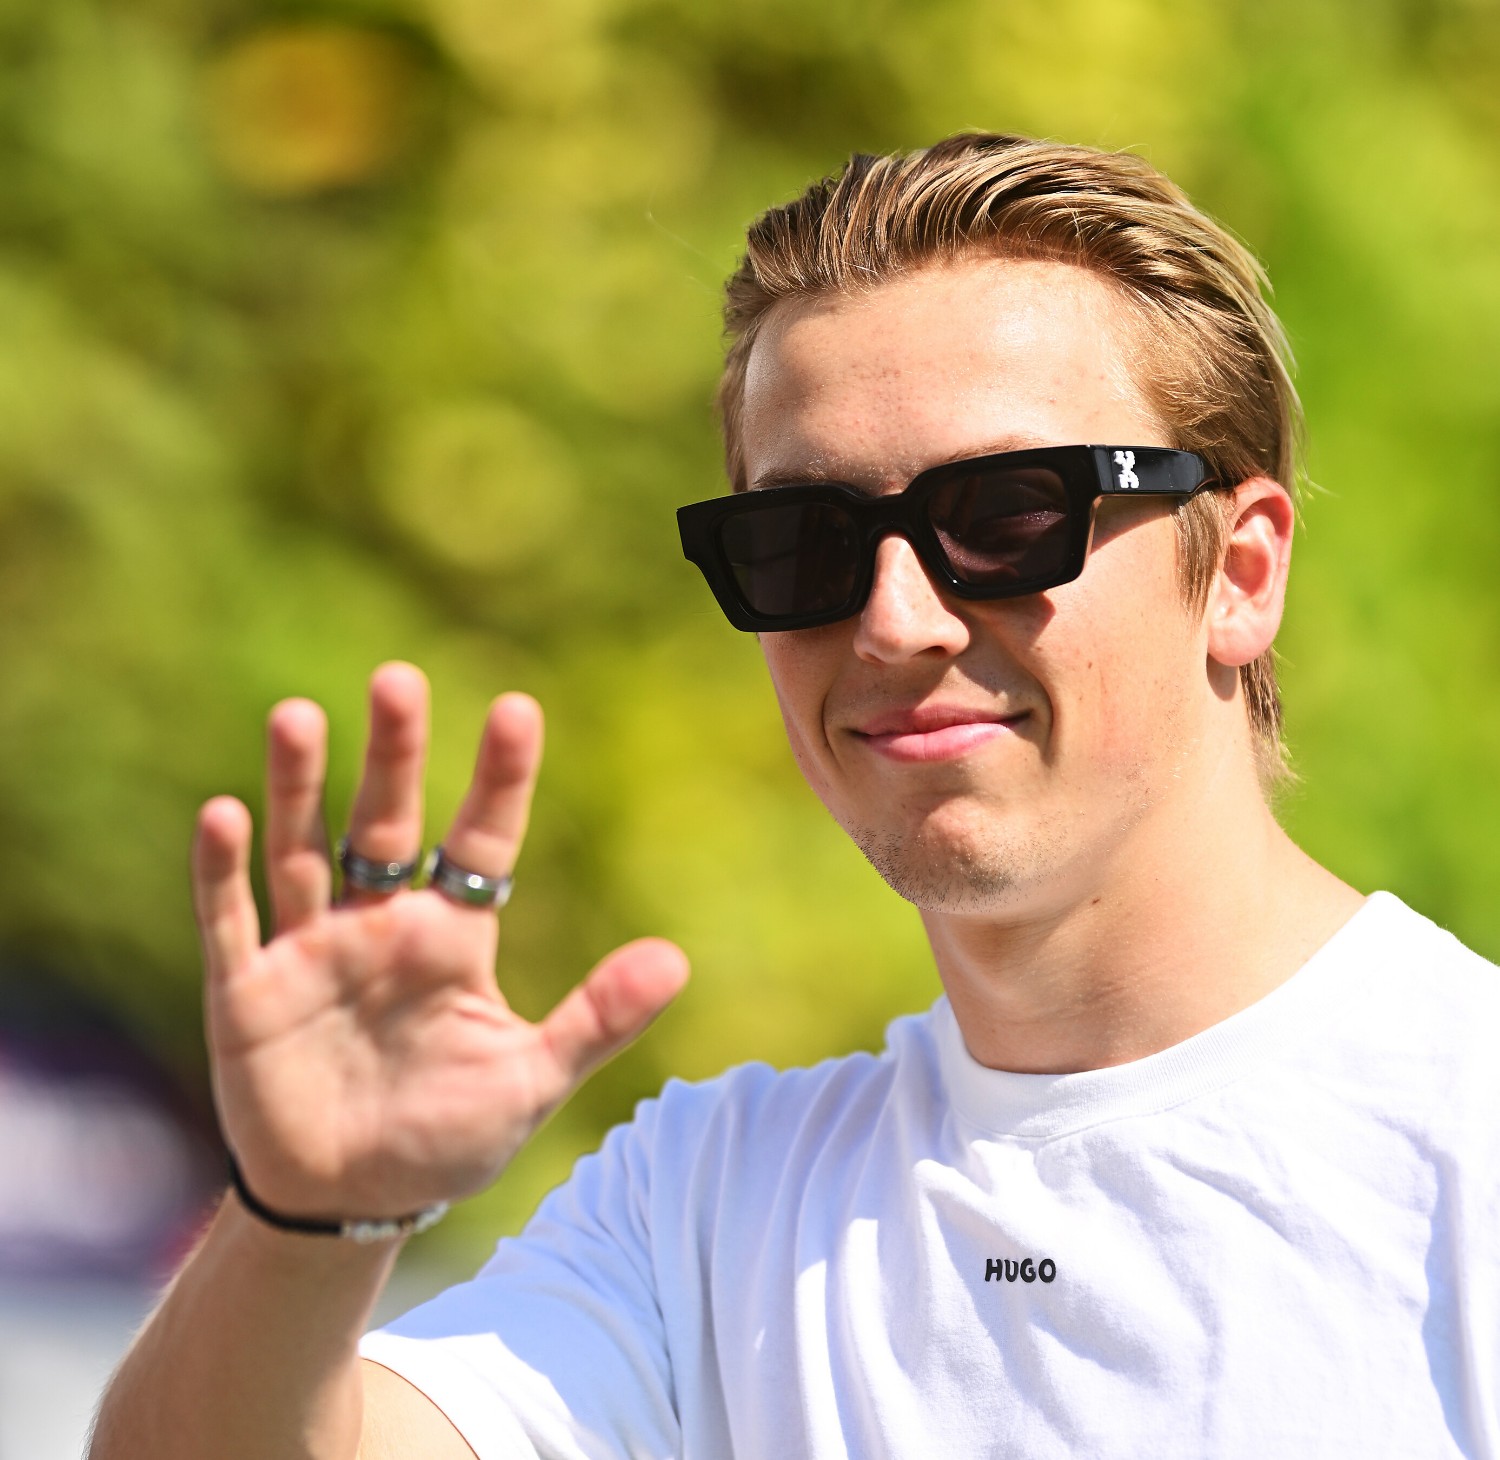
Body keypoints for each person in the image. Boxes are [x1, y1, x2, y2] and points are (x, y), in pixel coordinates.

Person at [90, 133, 1499, 1459]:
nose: (895, 621)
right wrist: (307, 1221)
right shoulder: (710, 1207)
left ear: (1242, 573)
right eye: (801, 541)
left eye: (1006, 515)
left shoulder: (1465, 1139)